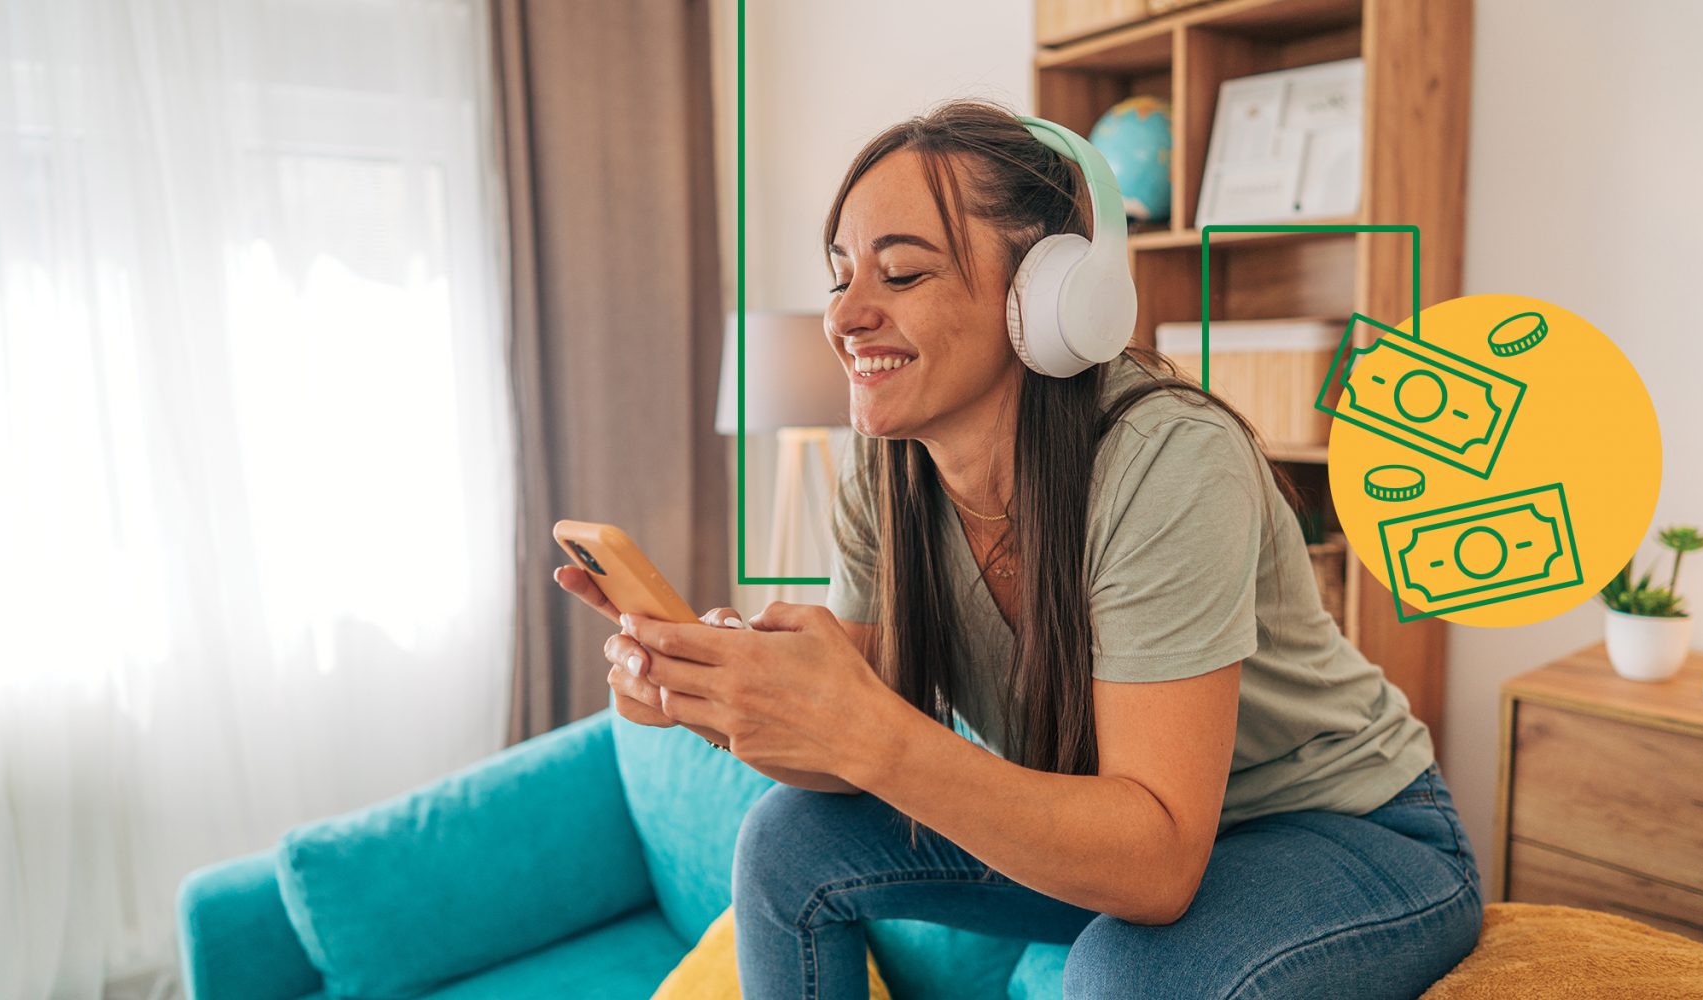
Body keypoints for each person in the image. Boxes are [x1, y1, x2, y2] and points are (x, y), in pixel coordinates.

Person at [551, 99, 1480, 999]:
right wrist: (715, 695)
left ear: (1049, 296)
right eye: (842, 275)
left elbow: (1156, 867)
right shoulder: (884, 467)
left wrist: (870, 730)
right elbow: (840, 756)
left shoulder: (1167, 460)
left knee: (1122, 974)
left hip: (1344, 830)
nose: (844, 316)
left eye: (901, 275)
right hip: (1107, 829)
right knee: (786, 842)